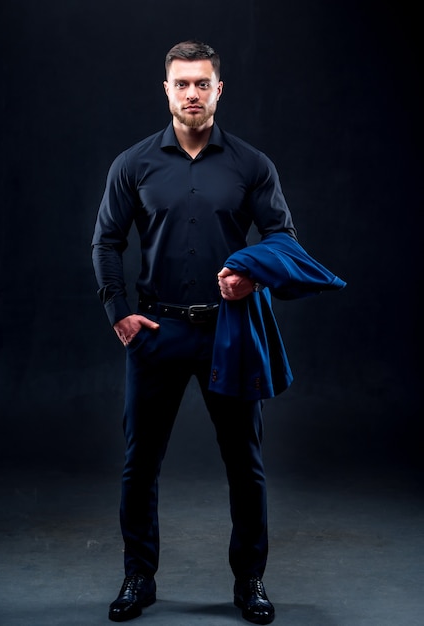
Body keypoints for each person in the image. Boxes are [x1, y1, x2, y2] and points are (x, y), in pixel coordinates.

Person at [91, 40, 345, 624]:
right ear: (166, 90)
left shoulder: (251, 164)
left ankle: (249, 581)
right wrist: (118, 311)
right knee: (140, 463)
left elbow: (283, 236)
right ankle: (138, 578)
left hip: (228, 332)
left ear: (218, 89)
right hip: (155, 332)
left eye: (202, 84)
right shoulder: (134, 164)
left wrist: (252, 279)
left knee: (244, 462)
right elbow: (106, 240)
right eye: (182, 84)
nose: (192, 94)